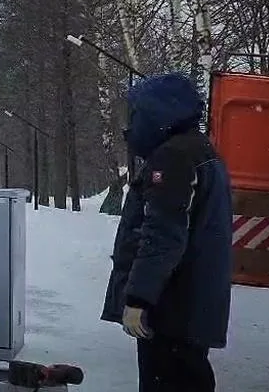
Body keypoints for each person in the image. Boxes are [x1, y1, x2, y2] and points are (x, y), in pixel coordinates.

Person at [101, 72, 233, 392]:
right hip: (189, 306)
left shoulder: (174, 157)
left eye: (137, 115)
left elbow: (163, 235)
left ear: (157, 115)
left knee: (169, 381)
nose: (130, 127)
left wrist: (138, 299)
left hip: (172, 309)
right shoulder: (200, 151)